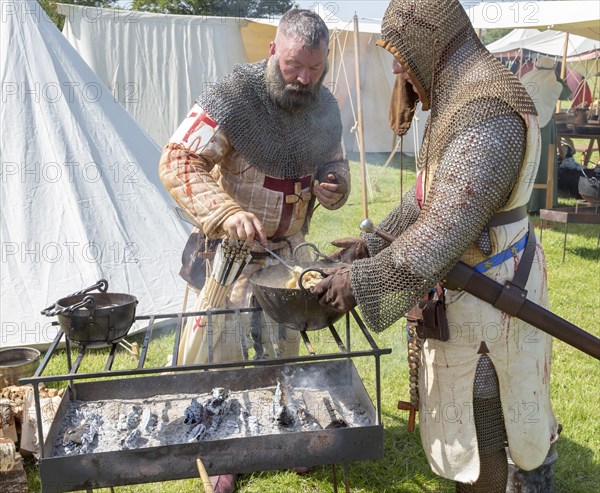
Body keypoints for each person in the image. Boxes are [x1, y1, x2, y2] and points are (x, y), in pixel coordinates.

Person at [311, 1, 558, 492]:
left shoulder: (487, 105)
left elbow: (447, 223)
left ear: (430, 40)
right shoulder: (460, 96)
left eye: (401, 52)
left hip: (493, 295)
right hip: (473, 290)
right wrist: (369, 244)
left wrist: (361, 281)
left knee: (483, 416)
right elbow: (429, 192)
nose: (397, 66)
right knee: (470, 414)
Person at [159, 9, 349, 492]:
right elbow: (177, 159)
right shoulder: (233, 97)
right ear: (272, 51)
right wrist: (225, 211)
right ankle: (225, 453)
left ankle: (281, 435)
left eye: (314, 68)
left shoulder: (324, 106)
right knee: (225, 358)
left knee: (284, 352)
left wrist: (336, 186)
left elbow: (334, 162)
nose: (304, 78)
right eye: (293, 66)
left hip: (290, 257)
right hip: (231, 256)